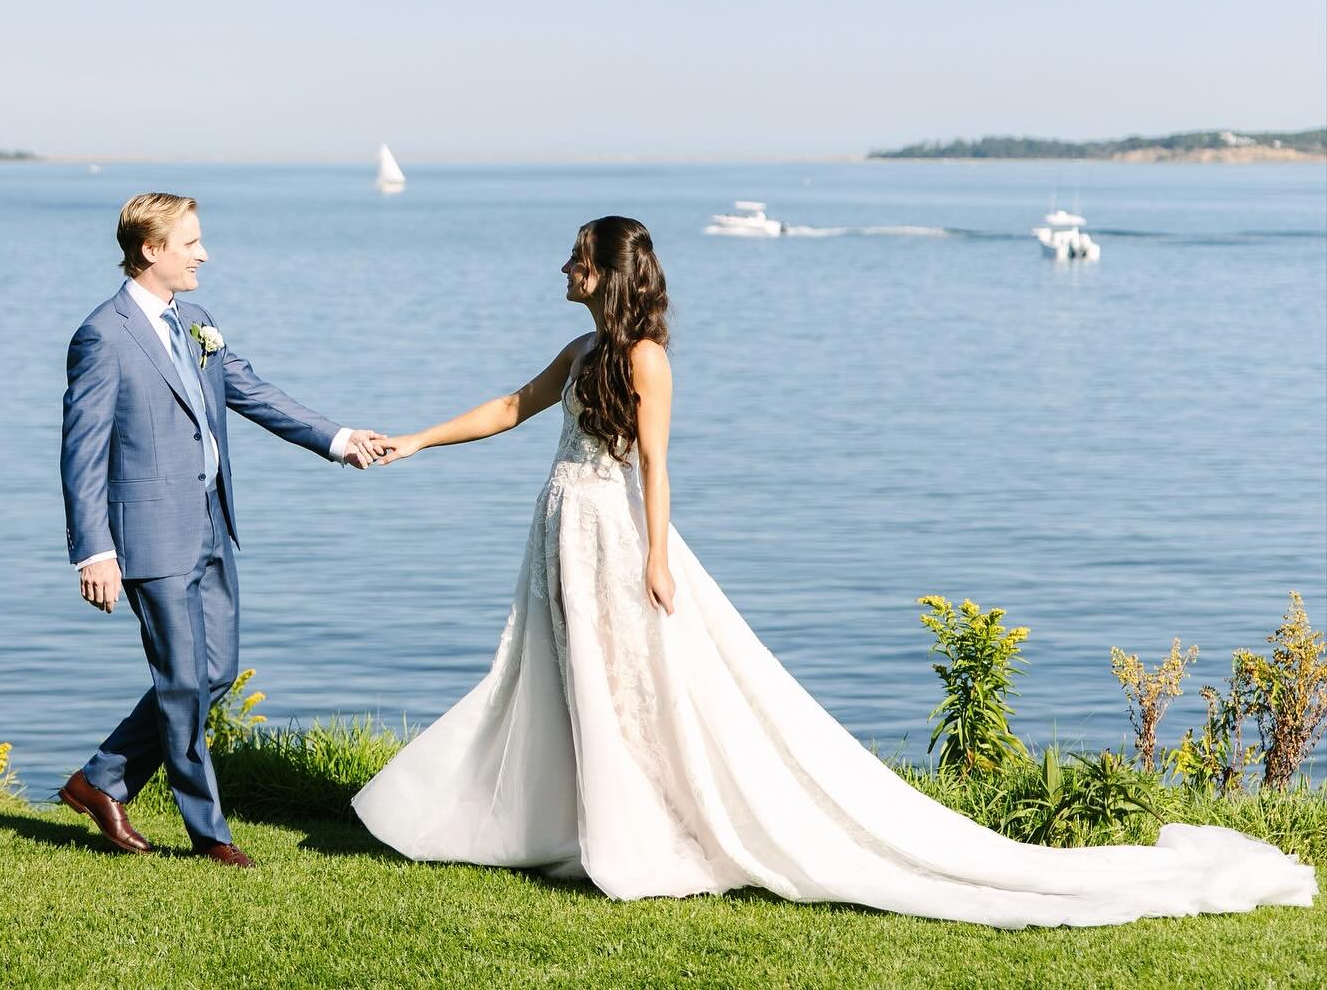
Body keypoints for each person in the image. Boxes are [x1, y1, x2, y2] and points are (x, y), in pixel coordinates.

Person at [353, 215, 1315, 926]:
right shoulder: (580, 351)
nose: (564, 269)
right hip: (561, 536)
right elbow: (510, 407)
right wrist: (414, 439)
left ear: (609, 272)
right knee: (570, 680)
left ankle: (643, 827)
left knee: (633, 684)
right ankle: (578, 817)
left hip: (613, 537)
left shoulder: (646, 360)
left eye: (578, 258)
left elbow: (657, 466)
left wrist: (657, 557)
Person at [59, 192, 385, 868]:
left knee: (216, 672)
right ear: (151, 250)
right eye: (191, 244)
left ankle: (101, 780)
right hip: (150, 536)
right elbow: (80, 452)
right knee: (183, 682)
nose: (203, 254)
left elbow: (255, 393)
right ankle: (210, 835)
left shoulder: (198, 322)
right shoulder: (103, 335)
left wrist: (339, 437)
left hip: (212, 522)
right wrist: (94, 550)